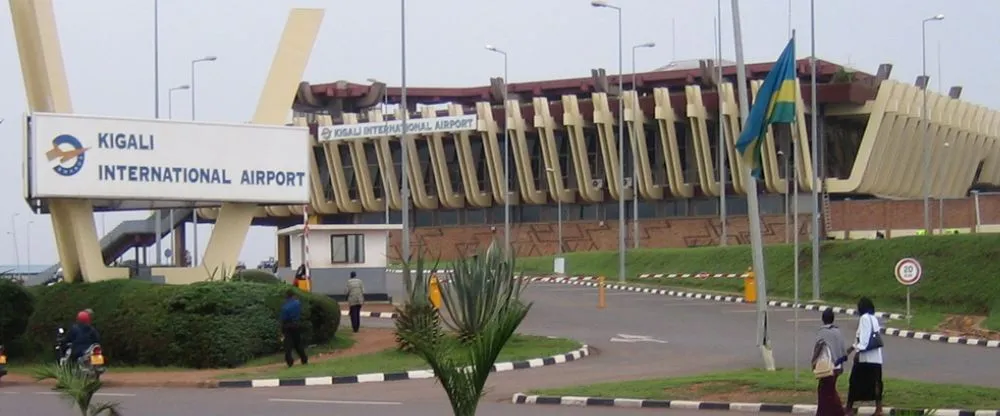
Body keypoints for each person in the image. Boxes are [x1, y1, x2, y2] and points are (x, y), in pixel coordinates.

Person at [845, 297, 884, 416]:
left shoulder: (864, 318)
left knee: (854, 381)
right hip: (876, 358)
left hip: (865, 358)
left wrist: (856, 351)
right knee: (876, 382)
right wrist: (851, 348)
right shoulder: (874, 318)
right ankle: (879, 408)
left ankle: (849, 408)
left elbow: (864, 340)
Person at [812, 309, 848, 416]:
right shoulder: (838, 331)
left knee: (824, 391)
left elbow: (818, 348)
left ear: (823, 319)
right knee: (830, 390)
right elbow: (842, 350)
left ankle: (835, 412)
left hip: (827, 367)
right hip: (837, 366)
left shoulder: (822, 332)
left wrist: (813, 361)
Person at [280, 290, 308, 367]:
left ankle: (289, 361)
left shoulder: (285, 307)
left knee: (287, 345)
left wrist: (282, 329)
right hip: (296, 325)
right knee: (298, 343)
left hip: (288, 326)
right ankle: (304, 359)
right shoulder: (297, 303)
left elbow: (283, 318)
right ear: (293, 296)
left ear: (286, 297)